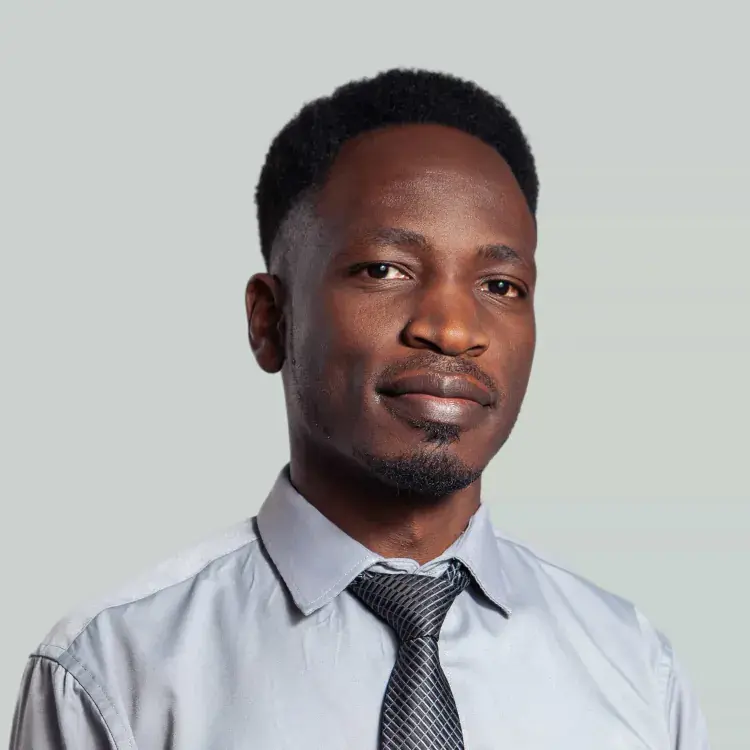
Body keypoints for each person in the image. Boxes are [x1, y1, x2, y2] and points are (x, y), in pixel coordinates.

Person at [9, 68, 710, 750]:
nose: (452, 328)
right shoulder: (112, 673)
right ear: (270, 320)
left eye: (501, 285)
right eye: (384, 270)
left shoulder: (636, 669)